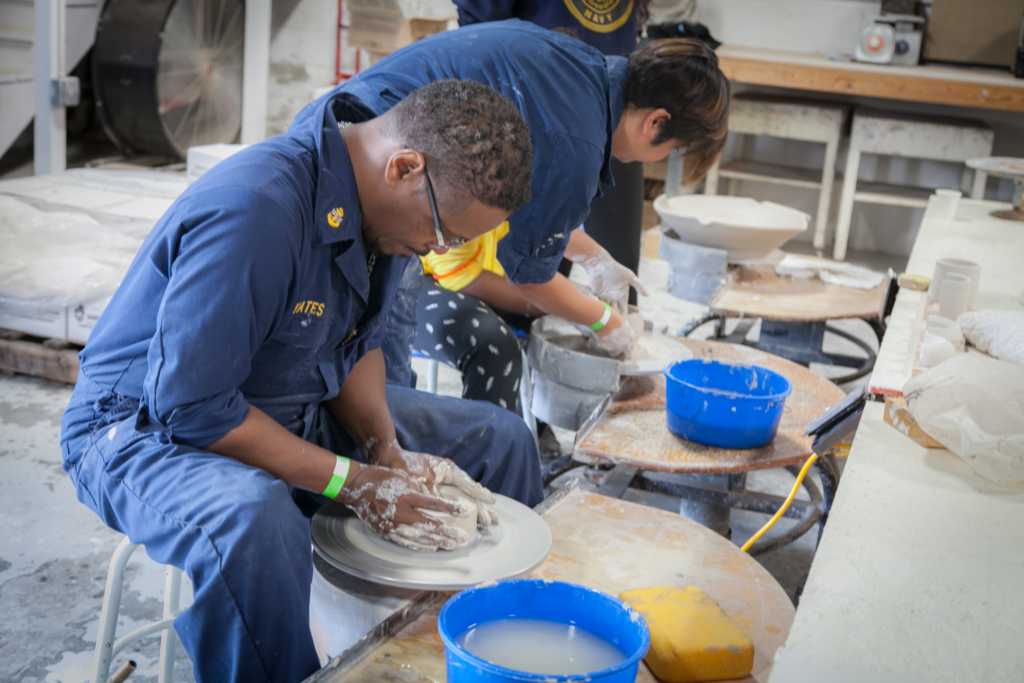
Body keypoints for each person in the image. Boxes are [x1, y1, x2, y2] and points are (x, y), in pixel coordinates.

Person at [60, 79, 541, 683]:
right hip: (141, 426)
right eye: (444, 233)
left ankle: (491, 653)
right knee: (255, 519)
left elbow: (355, 344)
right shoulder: (258, 206)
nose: (435, 248)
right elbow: (192, 407)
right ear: (405, 167)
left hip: (287, 399)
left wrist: (382, 449)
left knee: (500, 438)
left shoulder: (387, 211)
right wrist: (354, 482)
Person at [303, 21, 729, 387]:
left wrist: (596, 258)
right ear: (656, 122)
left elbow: (538, 211)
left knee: (373, 341)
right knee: (378, 345)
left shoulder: (584, 71)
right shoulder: (578, 139)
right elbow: (528, 276)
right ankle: (370, 467)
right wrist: (605, 321)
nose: (661, 158)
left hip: (350, 130)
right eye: (672, 150)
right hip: (361, 162)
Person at [454, 0, 653, 308]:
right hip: (540, 113)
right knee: (535, 279)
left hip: (613, 111)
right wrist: (585, 315)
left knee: (619, 280)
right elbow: (481, 18)